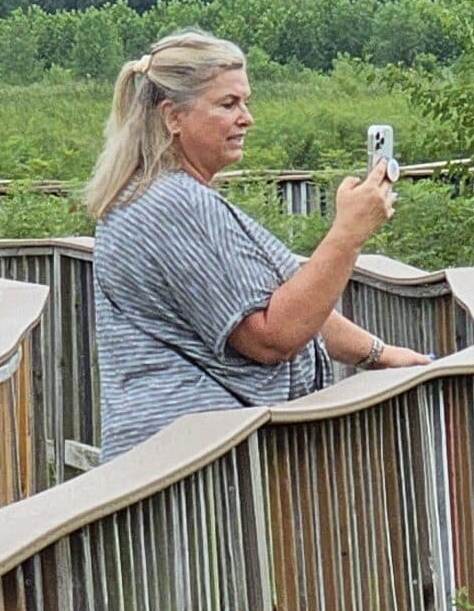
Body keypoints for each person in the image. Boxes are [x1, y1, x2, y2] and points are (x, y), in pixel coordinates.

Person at [86, 29, 402, 457]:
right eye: (228, 104)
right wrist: (347, 235)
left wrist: (379, 355)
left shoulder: (150, 195)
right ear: (172, 117)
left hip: (170, 457)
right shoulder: (175, 206)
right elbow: (272, 335)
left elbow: (288, 298)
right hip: (189, 469)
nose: (246, 118)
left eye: (245, 102)